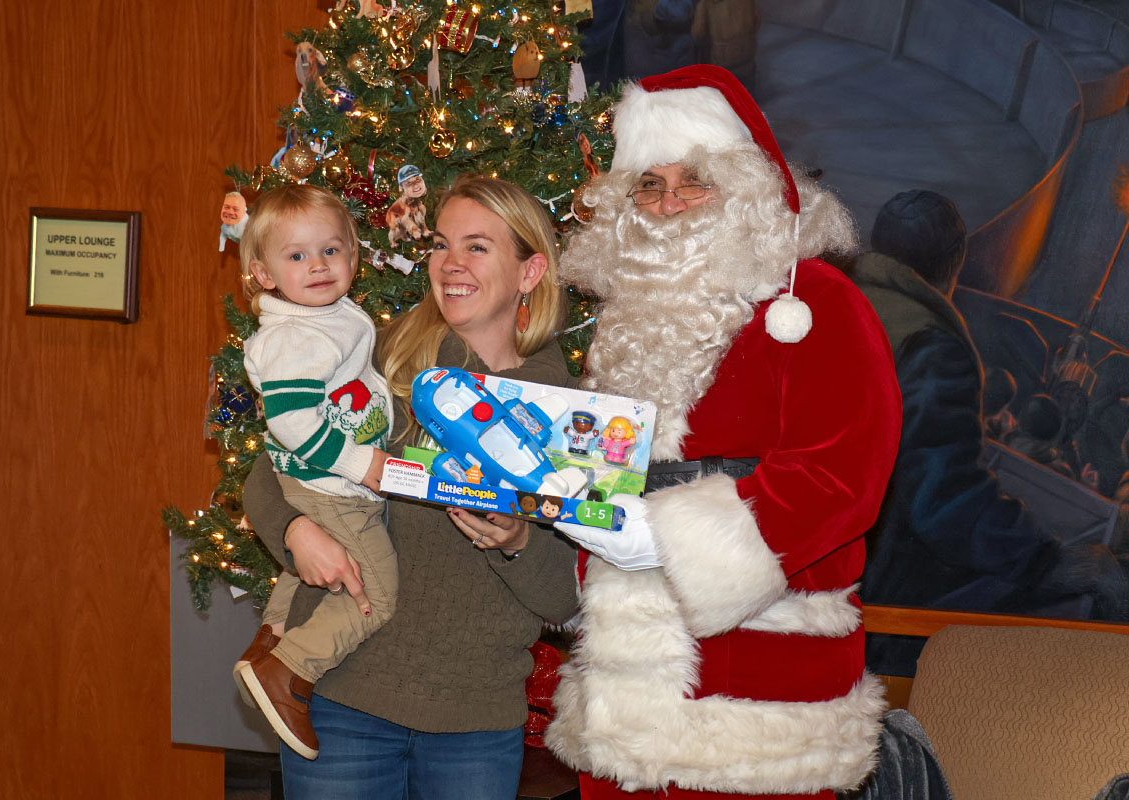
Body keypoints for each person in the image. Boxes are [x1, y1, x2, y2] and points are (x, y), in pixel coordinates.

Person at [543, 64, 903, 799]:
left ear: (747, 190)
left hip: (755, 697)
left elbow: (844, 474)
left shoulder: (817, 304)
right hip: (623, 690)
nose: (668, 204)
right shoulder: (624, 321)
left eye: (695, 181)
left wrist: (671, 542)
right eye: (648, 185)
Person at [242, 175, 580, 800]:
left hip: (475, 722)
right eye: (441, 244)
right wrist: (296, 532)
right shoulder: (380, 358)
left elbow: (564, 598)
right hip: (342, 697)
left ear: (530, 272)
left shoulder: (566, 414)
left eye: (477, 247)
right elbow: (272, 469)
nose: (450, 264)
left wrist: (515, 540)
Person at [853, 190, 1129, 675]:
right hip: (879, 592)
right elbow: (946, 502)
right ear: (954, 264)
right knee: (1102, 580)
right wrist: (1046, 561)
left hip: (829, 565)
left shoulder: (839, 306)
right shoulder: (932, 348)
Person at [231, 184, 396, 761]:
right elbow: (292, 421)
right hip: (330, 483)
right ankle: (289, 672)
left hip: (325, 478)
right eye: (297, 256)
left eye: (330, 250)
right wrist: (362, 464)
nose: (319, 266)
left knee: (305, 573)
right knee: (377, 590)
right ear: (265, 274)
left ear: (353, 253)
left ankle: (268, 642)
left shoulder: (329, 314)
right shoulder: (294, 337)